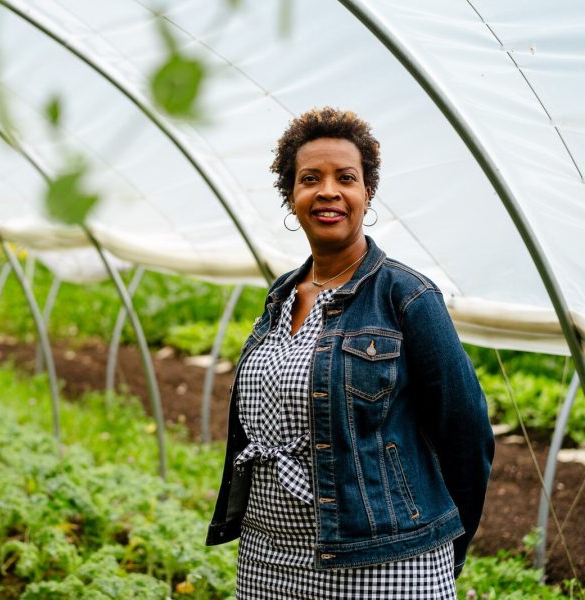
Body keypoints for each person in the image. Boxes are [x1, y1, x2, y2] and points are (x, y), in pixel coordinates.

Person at [206, 107, 494, 599]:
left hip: (381, 560)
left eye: (346, 178)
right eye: (309, 179)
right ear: (291, 196)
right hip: (268, 556)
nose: (328, 192)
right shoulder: (282, 294)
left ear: (367, 193)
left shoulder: (406, 296)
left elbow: (466, 433)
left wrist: (445, 544)